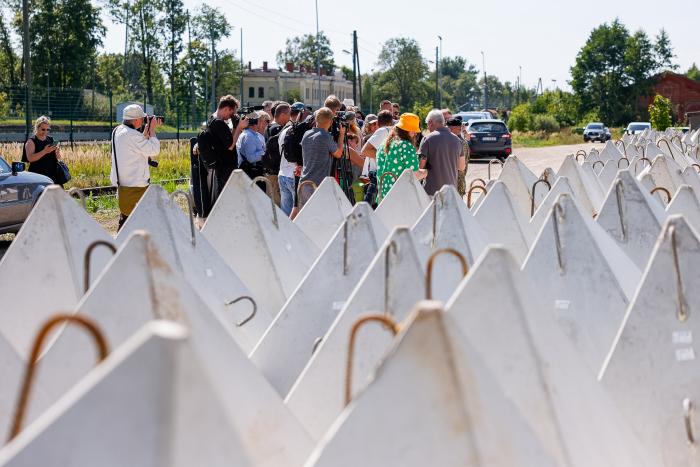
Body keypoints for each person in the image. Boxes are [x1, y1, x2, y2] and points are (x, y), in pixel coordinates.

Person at [110, 104, 161, 229]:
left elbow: (134, 148)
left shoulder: (117, 131)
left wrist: (144, 134)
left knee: (125, 223)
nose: (143, 121)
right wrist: (152, 130)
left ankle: (120, 246)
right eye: (142, 119)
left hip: (123, 187)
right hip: (136, 189)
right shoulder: (132, 135)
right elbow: (154, 150)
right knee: (140, 225)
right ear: (136, 119)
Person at [199, 95, 247, 215]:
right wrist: (239, 127)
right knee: (226, 195)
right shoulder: (219, 123)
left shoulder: (211, 120)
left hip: (220, 165)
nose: (231, 117)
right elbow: (230, 145)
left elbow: (225, 140)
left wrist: (235, 127)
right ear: (226, 109)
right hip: (225, 166)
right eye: (231, 113)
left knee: (222, 194)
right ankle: (223, 217)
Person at [376, 113, 424, 199]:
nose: (415, 133)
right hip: (400, 197)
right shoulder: (406, 146)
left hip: (383, 197)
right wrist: (427, 172)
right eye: (413, 130)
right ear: (407, 130)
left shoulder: (384, 144)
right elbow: (414, 175)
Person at [418, 109, 466, 196]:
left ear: (431, 122)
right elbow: (462, 167)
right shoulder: (457, 140)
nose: (427, 127)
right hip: (451, 191)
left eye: (427, 124)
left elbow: (421, 166)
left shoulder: (427, 139)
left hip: (431, 191)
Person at [299, 107, 345, 190]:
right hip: (318, 186)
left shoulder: (306, 134)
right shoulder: (326, 136)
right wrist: (341, 135)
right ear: (331, 122)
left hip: (304, 183)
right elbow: (338, 154)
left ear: (316, 119)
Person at [277, 102, 304, 216]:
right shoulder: (297, 131)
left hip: (282, 174)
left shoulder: (284, 131)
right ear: (299, 115)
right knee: (298, 215)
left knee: (285, 214)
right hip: (294, 175)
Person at [263, 102, 290, 206]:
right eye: (288, 114)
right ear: (282, 114)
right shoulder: (277, 129)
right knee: (276, 205)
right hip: (275, 173)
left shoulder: (268, 127)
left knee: (272, 204)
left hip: (270, 171)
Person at [24, 115, 63, 184]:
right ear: (37, 127)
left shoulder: (51, 140)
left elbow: (59, 158)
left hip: (53, 175)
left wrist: (57, 153)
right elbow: (30, 158)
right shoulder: (31, 141)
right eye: (43, 129)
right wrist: (44, 151)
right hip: (38, 175)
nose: (45, 132)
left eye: (48, 129)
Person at [237, 110, 268, 182]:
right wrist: (264, 152)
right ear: (255, 122)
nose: (262, 123)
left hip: (255, 172)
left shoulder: (255, 135)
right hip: (251, 173)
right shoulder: (249, 136)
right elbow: (251, 158)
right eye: (259, 120)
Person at [446, 116, 468, 197]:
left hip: (457, 182)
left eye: (448, 128)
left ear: (453, 128)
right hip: (456, 181)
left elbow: (460, 166)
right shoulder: (460, 141)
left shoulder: (460, 142)